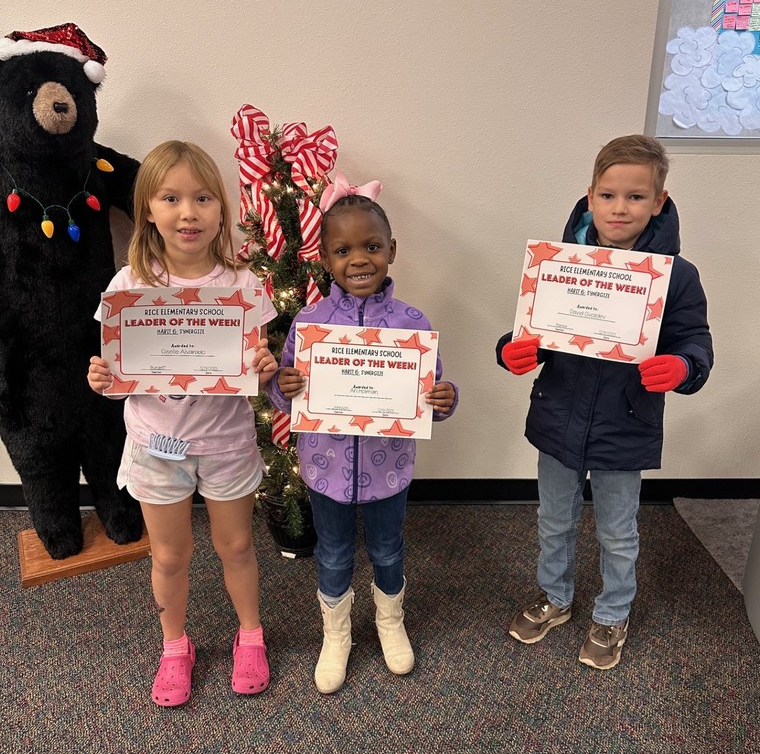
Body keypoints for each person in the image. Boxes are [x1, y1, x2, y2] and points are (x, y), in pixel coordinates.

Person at [496, 135, 713, 670]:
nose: (621, 208)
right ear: (590, 196)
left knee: (618, 531)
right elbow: (531, 333)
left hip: (626, 421)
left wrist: (683, 368)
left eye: (636, 197)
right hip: (558, 415)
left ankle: (613, 611)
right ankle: (556, 597)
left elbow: (696, 342)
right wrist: (511, 351)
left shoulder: (676, 277)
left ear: (658, 202)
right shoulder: (559, 263)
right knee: (553, 519)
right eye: (610, 195)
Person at [87, 140, 278, 706]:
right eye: (170, 198)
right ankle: (176, 646)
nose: (187, 212)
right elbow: (113, 366)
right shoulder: (128, 287)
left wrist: (264, 368)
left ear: (222, 209)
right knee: (168, 555)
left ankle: (251, 635)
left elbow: (255, 364)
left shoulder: (243, 286)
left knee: (237, 546)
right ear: (148, 209)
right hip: (155, 445)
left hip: (225, 444)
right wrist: (101, 377)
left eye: (202, 198)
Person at [268, 174, 458, 693]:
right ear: (325, 258)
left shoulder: (412, 325)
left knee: (389, 549)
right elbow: (286, 392)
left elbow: (433, 393)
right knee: (332, 551)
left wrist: (444, 399)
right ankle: (337, 635)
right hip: (325, 469)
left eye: (372, 246)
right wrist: (283, 385)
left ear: (392, 251)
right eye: (343, 249)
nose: (359, 259)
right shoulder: (311, 322)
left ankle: (390, 622)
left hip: (388, 468)